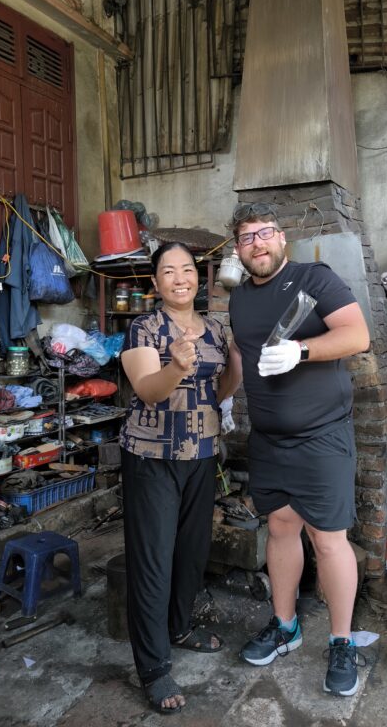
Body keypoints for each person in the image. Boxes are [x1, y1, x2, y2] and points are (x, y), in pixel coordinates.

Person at [227, 202, 370, 697]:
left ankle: (342, 641)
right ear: (238, 249)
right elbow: (240, 358)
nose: (258, 244)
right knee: (280, 528)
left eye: (265, 233)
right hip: (268, 439)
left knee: (329, 539)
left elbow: (357, 335)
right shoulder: (240, 299)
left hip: (322, 436)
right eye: (247, 238)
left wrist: (302, 350)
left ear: (281, 238)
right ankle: (284, 626)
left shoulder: (316, 278)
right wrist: (220, 397)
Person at [120, 241, 238, 714]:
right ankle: (152, 666)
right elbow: (148, 391)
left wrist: (241, 365)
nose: (180, 277)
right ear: (156, 283)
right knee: (153, 558)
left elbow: (221, 388)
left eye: (187, 269)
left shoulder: (214, 327)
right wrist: (176, 366)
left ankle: (180, 626)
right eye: (168, 271)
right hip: (152, 455)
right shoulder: (143, 328)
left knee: (191, 551)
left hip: (203, 451)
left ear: (199, 277)